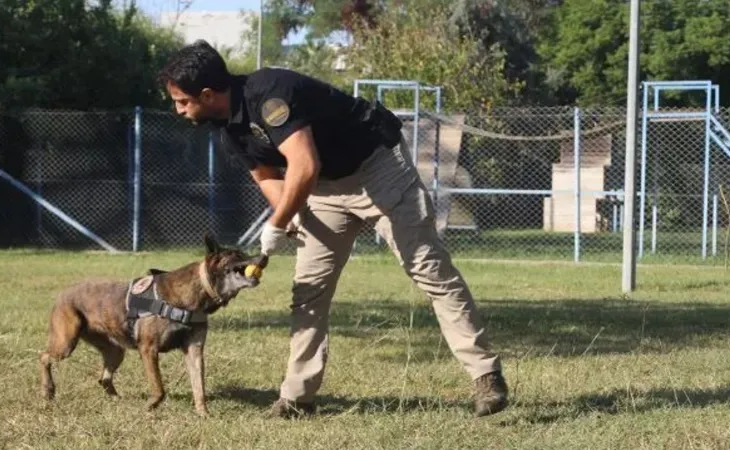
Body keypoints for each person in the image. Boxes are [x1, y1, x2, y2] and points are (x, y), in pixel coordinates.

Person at [157, 40, 508, 418]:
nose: (177, 110)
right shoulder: (229, 129)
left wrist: (273, 226)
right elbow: (267, 176)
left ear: (207, 94)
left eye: (182, 101)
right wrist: (287, 214)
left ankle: (486, 375)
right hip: (323, 188)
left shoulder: (271, 94)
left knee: (430, 270)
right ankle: (297, 398)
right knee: (309, 292)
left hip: (377, 169)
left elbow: (303, 165)